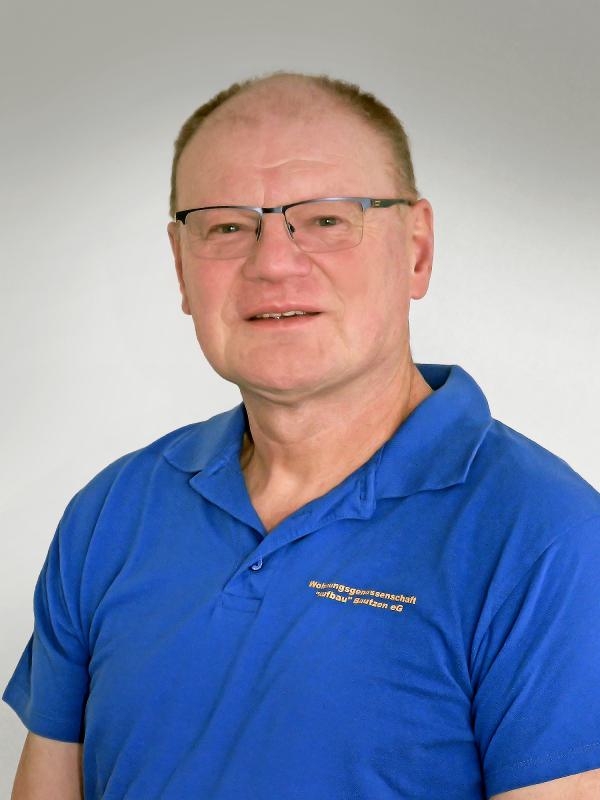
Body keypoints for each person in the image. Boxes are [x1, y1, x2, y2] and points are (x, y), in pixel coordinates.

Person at [4, 70, 600, 800]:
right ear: (181, 267)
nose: (273, 263)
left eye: (325, 220)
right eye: (227, 226)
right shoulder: (112, 511)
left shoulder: (548, 538)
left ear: (416, 250)